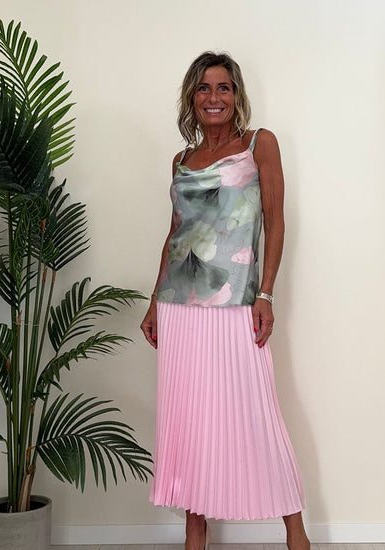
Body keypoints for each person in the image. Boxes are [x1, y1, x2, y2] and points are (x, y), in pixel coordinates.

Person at [141, 51, 310, 550]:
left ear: (236, 96)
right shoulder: (180, 160)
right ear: (191, 98)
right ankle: (195, 533)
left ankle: (297, 536)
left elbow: (276, 220)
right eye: (204, 88)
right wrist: (153, 302)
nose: (213, 97)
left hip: (236, 301)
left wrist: (266, 292)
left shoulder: (259, 144)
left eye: (223, 88)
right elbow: (175, 234)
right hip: (179, 306)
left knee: (256, 413)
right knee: (188, 419)